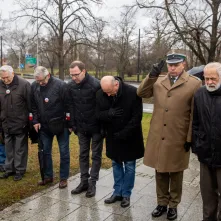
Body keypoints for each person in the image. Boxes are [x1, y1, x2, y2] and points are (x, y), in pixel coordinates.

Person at [137, 53, 202, 220]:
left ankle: (173, 205)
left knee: (176, 172)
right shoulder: (158, 80)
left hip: (178, 135)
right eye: (170, 65)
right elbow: (141, 93)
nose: (172, 68)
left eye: (176, 65)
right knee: (160, 171)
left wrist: (190, 138)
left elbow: (195, 114)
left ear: (184, 65)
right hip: (158, 135)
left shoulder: (194, 83)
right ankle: (161, 202)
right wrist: (151, 76)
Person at [96, 76, 144, 208]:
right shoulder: (102, 93)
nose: (107, 94)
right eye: (105, 92)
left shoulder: (133, 92)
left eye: (109, 91)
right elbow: (98, 114)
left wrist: (124, 133)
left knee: (129, 165)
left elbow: (137, 117)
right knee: (116, 163)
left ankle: (126, 194)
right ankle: (117, 192)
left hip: (130, 136)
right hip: (112, 136)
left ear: (116, 84)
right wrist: (108, 113)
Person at [68, 61, 103, 198]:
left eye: (76, 74)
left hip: (96, 128)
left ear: (84, 71)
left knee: (95, 155)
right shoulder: (71, 86)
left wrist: (102, 127)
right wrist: (73, 125)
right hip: (81, 128)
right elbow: (70, 106)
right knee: (83, 154)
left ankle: (92, 182)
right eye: (71, 75)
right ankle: (84, 181)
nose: (74, 78)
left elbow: (103, 107)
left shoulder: (95, 85)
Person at [31, 66, 70, 189]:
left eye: (42, 80)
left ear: (48, 75)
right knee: (45, 152)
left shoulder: (61, 85)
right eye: (38, 81)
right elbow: (33, 106)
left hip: (61, 124)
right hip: (44, 126)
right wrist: (35, 121)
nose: (40, 83)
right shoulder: (34, 86)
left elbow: (69, 106)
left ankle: (63, 178)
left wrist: (69, 125)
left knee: (64, 152)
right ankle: (48, 176)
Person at [192, 62, 221, 221]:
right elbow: (195, 123)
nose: (209, 82)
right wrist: (197, 145)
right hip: (206, 155)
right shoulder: (199, 94)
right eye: (206, 78)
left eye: (213, 78)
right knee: (208, 196)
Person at [0, 65, 31, 181]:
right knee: (8, 148)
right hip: (6, 123)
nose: (5, 80)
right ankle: (9, 169)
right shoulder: (0, 85)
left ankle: (19, 170)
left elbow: (30, 104)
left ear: (12, 73)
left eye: (7, 77)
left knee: (20, 149)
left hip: (20, 123)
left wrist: (28, 122)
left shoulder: (24, 85)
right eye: (2, 78)